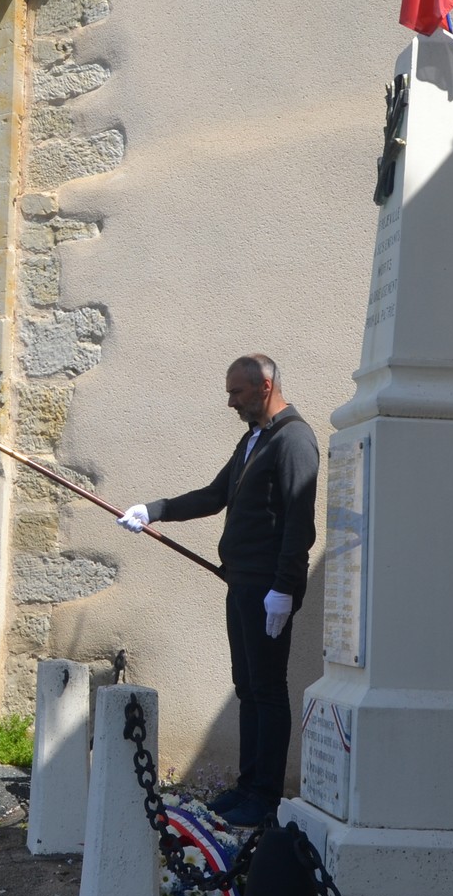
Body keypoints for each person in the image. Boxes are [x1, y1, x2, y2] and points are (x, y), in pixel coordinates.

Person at [116, 353, 318, 828]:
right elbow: (215, 495)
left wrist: (285, 589)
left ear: (264, 386)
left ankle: (265, 796)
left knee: (267, 691)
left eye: (237, 392)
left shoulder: (294, 439)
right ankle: (248, 787)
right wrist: (153, 509)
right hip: (242, 584)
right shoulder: (254, 440)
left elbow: (299, 522)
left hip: (268, 590)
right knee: (247, 688)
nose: (230, 402)